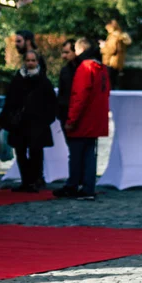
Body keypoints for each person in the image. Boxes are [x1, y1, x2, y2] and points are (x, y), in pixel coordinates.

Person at [54, 38, 110, 201]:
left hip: (83, 120)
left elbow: (79, 96)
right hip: (95, 119)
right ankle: (87, 186)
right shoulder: (101, 69)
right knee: (89, 154)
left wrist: (71, 120)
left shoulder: (85, 68)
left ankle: (78, 186)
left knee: (78, 154)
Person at [0, 50, 57, 192]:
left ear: (37, 62)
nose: (30, 63)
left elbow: (51, 102)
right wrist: (4, 119)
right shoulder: (18, 79)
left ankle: (36, 179)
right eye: (28, 60)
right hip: (20, 124)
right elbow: (10, 100)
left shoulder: (43, 81)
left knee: (36, 152)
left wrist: (46, 119)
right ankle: (26, 180)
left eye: (33, 60)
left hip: (37, 123)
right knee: (21, 152)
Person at [99, 19, 132, 89]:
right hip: (117, 64)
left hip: (110, 64)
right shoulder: (120, 35)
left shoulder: (114, 36)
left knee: (108, 87)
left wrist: (103, 47)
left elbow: (111, 50)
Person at [57, 39, 78, 139]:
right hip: (66, 112)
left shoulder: (83, 70)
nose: (64, 56)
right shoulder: (65, 70)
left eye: (67, 52)